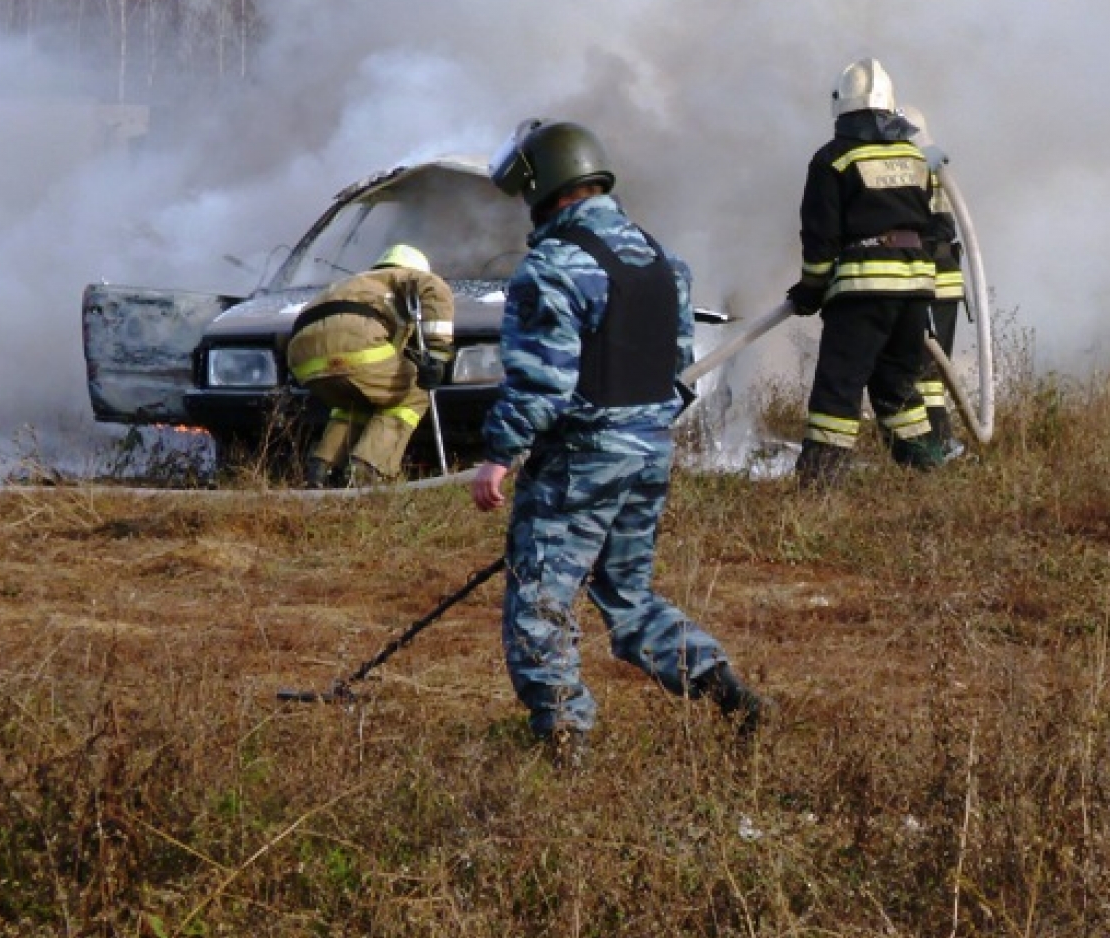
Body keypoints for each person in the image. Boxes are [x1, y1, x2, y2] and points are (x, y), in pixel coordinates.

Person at [470, 120, 767, 766]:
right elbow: (679, 369)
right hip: (650, 453)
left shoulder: (550, 270)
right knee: (627, 598)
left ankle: (564, 743)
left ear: (544, 188)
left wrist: (498, 456)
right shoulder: (663, 263)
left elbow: (542, 384)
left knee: (540, 600)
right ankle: (726, 689)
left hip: (581, 460)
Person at [789, 58, 944, 486]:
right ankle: (925, 469)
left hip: (864, 290)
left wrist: (810, 289)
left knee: (839, 384)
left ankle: (820, 481)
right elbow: (929, 222)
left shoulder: (833, 160)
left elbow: (820, 236)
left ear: (841, 107)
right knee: (898, 385)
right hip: (915, 288)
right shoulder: (914, 157)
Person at [287, 243, 454, 488]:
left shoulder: (353, 283)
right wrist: (437, 354)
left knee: (358, 402)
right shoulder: (407, 277)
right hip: (354, 349)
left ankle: (321, 468)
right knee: (413, 390)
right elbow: (435, 288)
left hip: (302, 360)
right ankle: (368, 471)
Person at [899, 104, 966, 455]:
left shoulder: (912, 167)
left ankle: (935, 444)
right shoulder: (932, 164)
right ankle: (935, 443)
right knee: (929, 368)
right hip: (944, 277)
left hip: (927, 277)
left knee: (921, 368)